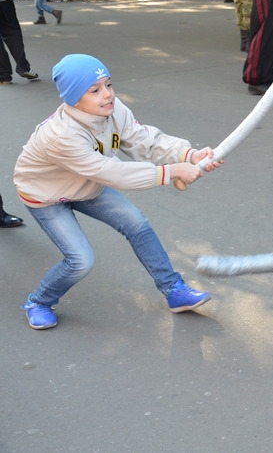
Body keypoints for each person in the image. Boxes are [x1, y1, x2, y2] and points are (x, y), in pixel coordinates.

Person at [14, 54, 222, 331]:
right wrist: (173, 172)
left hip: (86, 185)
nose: (107, 94)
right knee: (80, 261)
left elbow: (143, 139)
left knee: (137, 224)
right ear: (74, 98)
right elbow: (111, 172)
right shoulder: (61, 136)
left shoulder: (114, 109)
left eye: (109, 84)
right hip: (46, 196)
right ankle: (39, 302)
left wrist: (189, 154)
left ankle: (175, 290)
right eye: (95, 90)